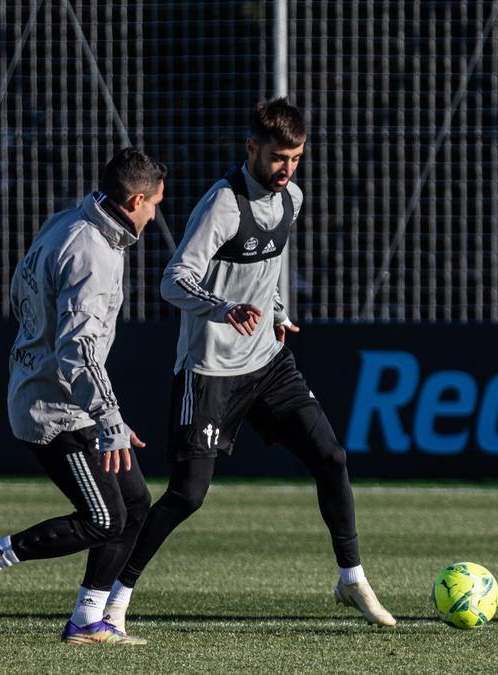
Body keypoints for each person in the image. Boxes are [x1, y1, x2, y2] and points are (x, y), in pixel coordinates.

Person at [106, 97, 396, 629]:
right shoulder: (223, 204)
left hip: (267, 361)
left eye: (296, 158)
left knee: (330, 457)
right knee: (188, 496)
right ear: (252, 149)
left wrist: (277, 312)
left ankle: (351, 577)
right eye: (278, 157)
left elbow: (270, 266)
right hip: (210, 370)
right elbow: (173, 280)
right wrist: (223, 308)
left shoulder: (292, 200)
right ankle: (116, 597)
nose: (287, 169)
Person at [0, 147, 165, 645]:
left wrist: (104, 411)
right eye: (153, 204)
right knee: (105, 518)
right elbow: (77, 351)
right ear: (134, 200)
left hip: (64, 396)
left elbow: (20, 291)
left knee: (134, 503)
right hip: (55, 409)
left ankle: (90, 620)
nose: (155, 214)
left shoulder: (66, 222)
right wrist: (109, 419)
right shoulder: (94, 253)